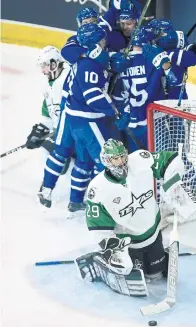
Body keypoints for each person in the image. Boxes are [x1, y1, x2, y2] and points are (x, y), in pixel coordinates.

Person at [37, 24, 128, 218]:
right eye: (102, 40)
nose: (105, 42)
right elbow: (92, 95)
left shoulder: (86, 58)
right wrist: (114, 111)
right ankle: (106, 205)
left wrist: (110, 63)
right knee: (107, 161)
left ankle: (74, 200)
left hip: (72, 116)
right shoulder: (89, 64)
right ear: (95, 42)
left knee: (84, 160)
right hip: (88, 120)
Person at [79, 138, 187, 284]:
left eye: (123, 156)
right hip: (129, 243)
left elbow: (171, 160)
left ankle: (159, 256)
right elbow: (98, 226)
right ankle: (106, 261)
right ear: (106, 160)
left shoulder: (141, 160)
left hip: (153, 233)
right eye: (115, 159)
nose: (121, 161)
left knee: (155, 274)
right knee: (132, 271)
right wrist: (114, 249)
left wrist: (173, 183)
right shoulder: (98, 189)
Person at [115, 27, 167, 153]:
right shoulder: (153, 60)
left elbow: (117, 94)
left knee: (137, 161)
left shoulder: (120, 61)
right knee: (159, 160)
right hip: (153, 120)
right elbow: (170, 80)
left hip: (130, 122)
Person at [26, 46, 70, 159]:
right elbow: (49, 114)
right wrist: (40, 129)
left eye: (44, 66)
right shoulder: (48, 86)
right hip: (61, 133)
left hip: (73, 134)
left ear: (53, 64)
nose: (42, 71)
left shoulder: (69, 80)